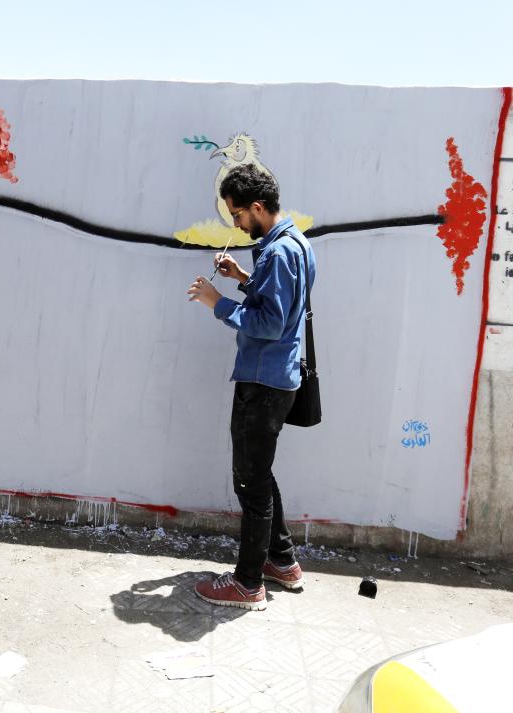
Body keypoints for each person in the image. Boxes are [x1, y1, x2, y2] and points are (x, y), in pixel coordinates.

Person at [186, 163, 315, 611]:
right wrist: (243, 277)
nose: (237, 224)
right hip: (275, 378)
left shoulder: (278, 254)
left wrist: (217, 302)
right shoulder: (294, 245)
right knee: (259, 474)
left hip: (262, 381)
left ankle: (247, 584)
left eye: (238, 215)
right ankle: (282, 562)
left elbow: (268, 323)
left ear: (257, 207)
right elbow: (280, 302)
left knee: (250, 482)